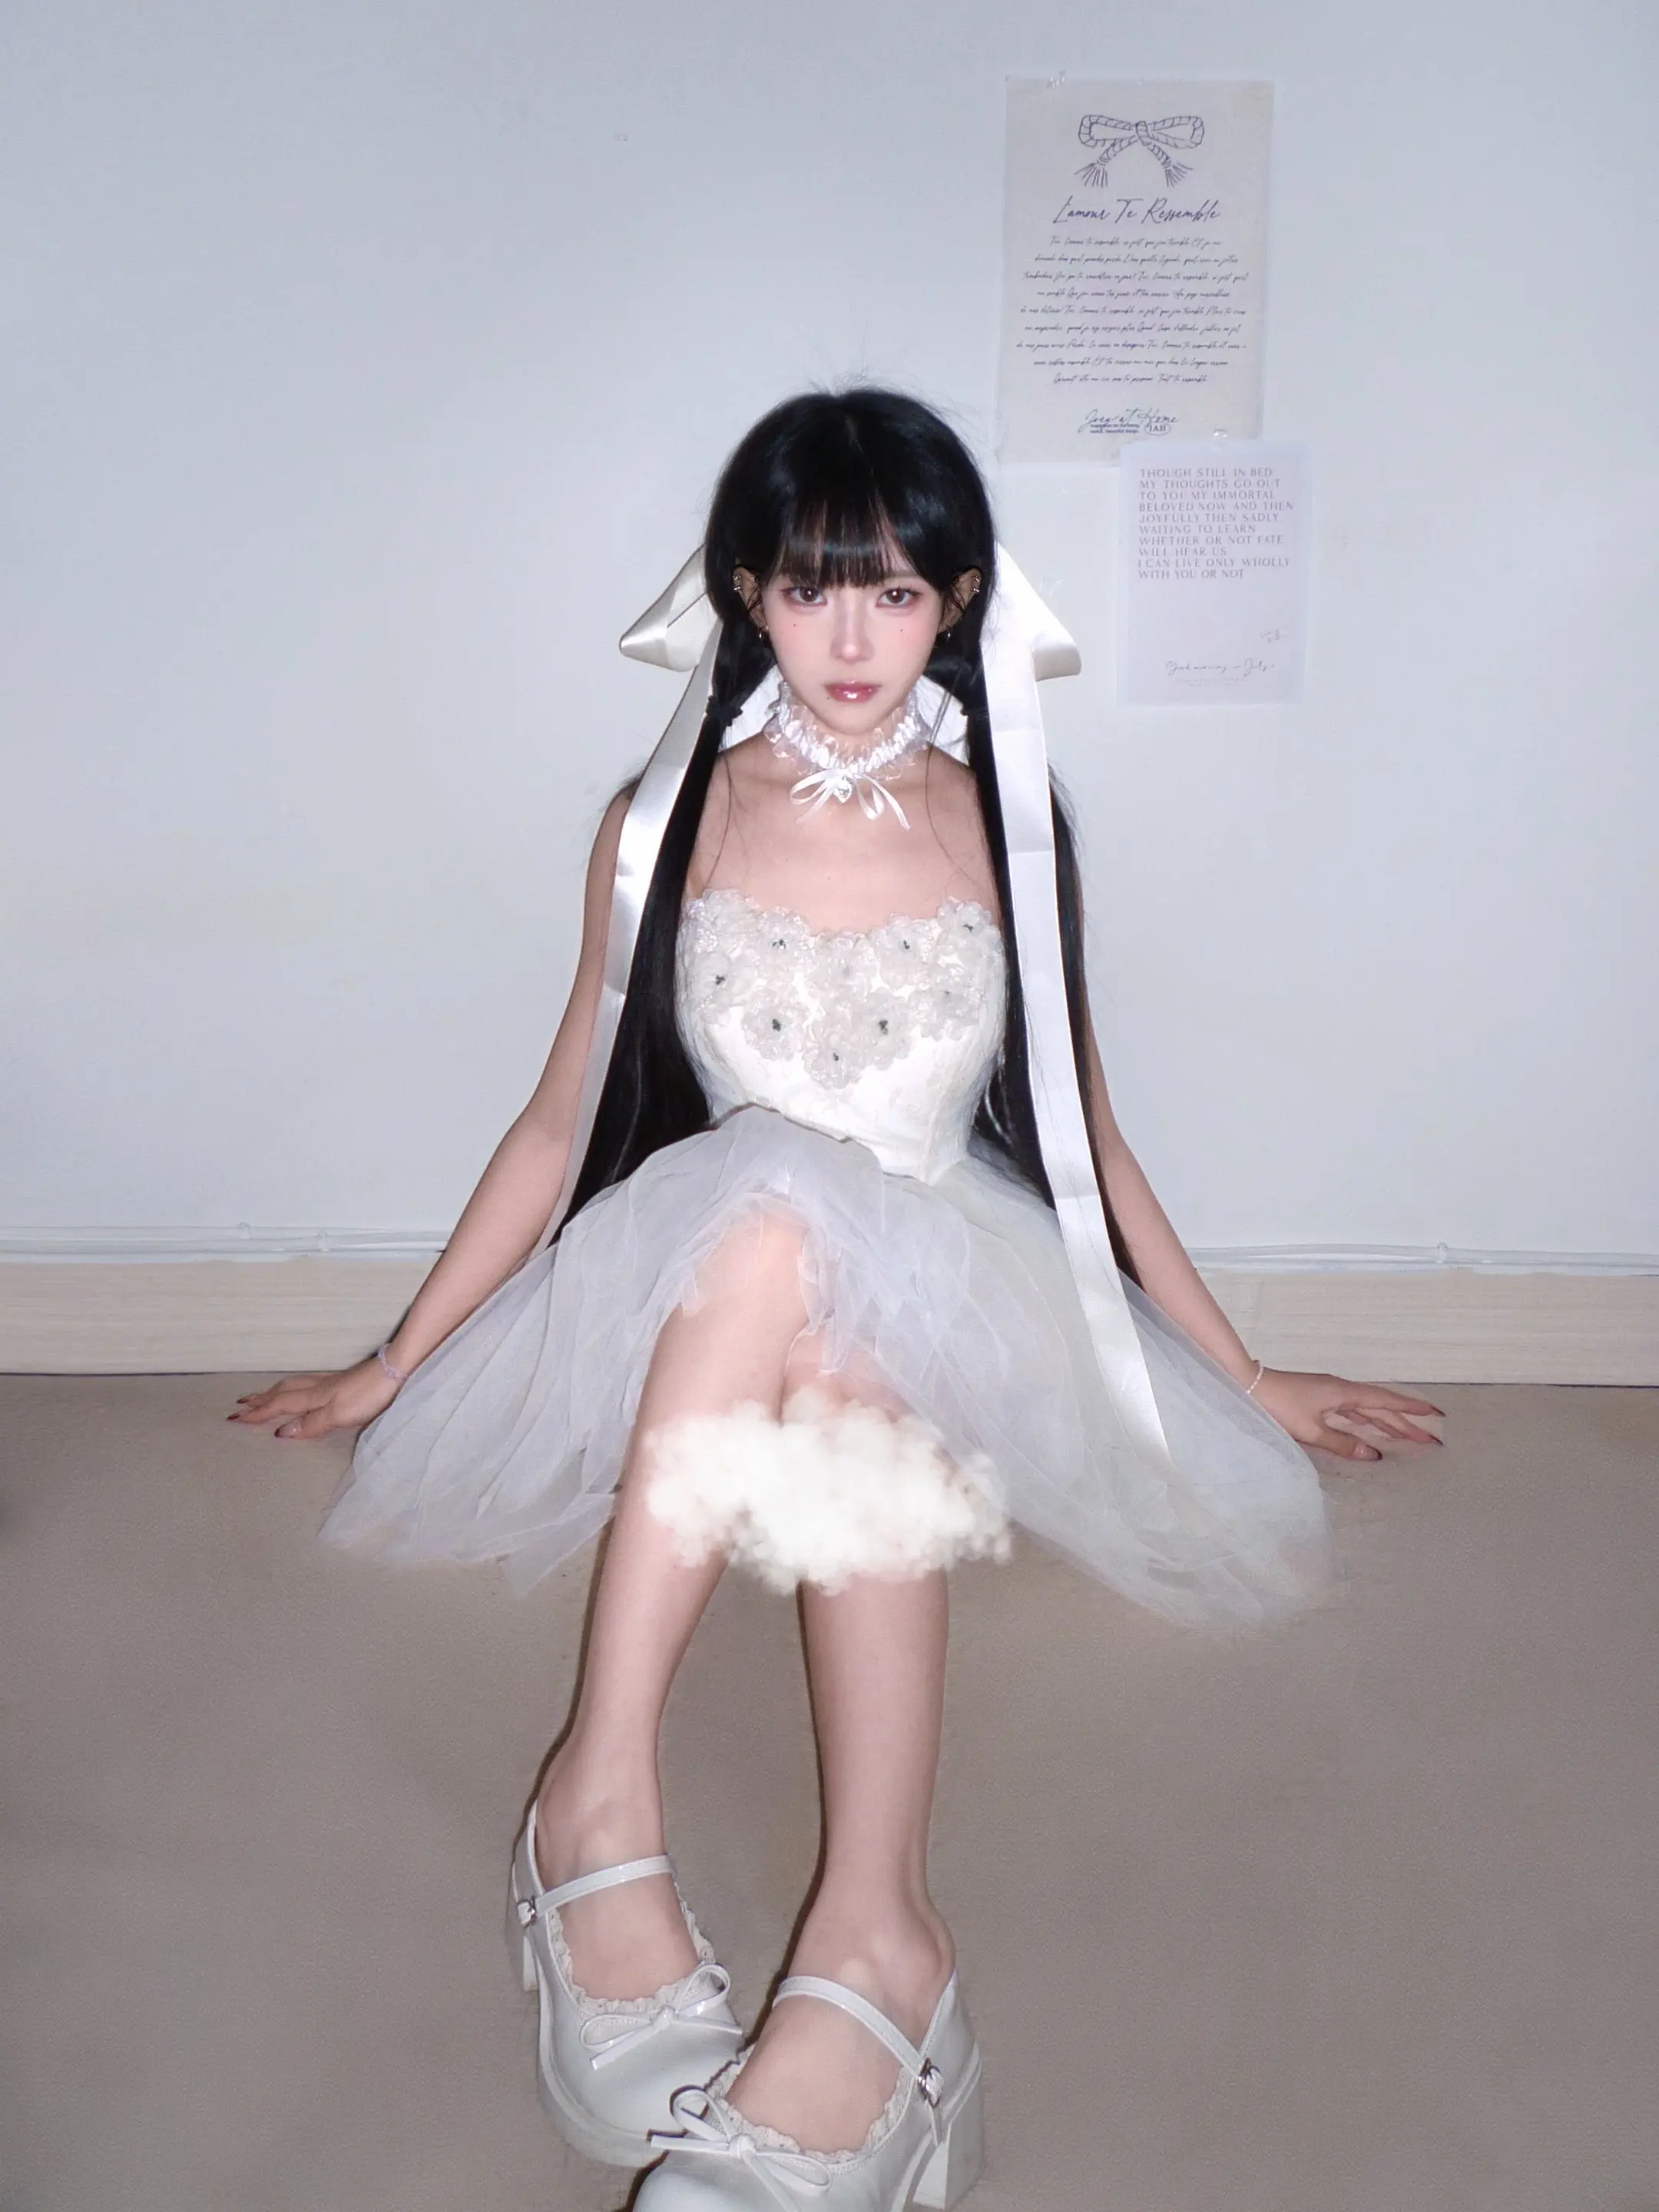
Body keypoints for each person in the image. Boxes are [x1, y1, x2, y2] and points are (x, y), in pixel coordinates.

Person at [231, 388, 1443, 2210]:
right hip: (711, 1306)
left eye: (894, 590)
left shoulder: (1011, 824)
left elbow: (1091, 1140)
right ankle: (856, 1939)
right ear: (747, 597)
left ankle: (613, 1814)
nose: (855, 637)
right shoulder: (663, 822)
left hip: (963, 1297)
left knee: (835, 1302)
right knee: (772, 1236)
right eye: (811, 589)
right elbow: (561, 1121)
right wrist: (395, 1364)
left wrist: (1246, 1378)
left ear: (958, 600)